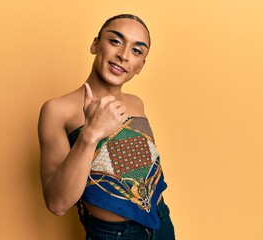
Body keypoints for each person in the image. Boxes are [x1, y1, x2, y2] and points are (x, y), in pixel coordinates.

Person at [38, 14, 175, 240]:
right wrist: (90, 134)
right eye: (115, 41)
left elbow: (136, 178)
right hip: (115, 235)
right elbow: (57, 203)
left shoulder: (136, 103)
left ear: (141, 65)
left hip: (162, 224)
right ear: (95, 44)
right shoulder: (57, 110)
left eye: (136, 51)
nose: (123, 55)